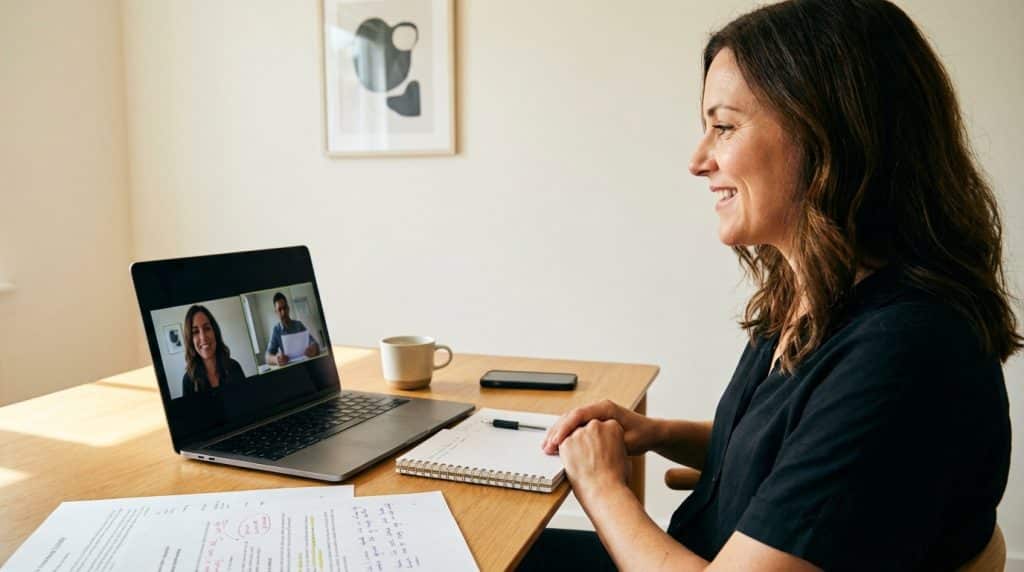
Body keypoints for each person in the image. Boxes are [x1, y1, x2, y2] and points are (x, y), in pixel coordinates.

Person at [519, 1, 1017, 570]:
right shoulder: (814, 290)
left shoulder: (907, 351)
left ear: (827, 133)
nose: (698, 160)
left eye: (723, 127)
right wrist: (656, 432)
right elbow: (799, 453)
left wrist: (603, 487)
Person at [181, 305, 247, 397]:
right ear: (190, 340)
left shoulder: (234, 367)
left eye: (207, 328)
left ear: (215, 332)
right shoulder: (188, 381)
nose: (203, 337)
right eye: (195, 332)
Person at [265, 292, 321, 366]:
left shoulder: (299, 324)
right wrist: (276, 359)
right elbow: (267, 357)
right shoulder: (276, 330)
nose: (283, 312)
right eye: (279, 309)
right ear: (276, 312)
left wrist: (314, 348)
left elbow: (314, 343)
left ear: (288, 308)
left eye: (285, 308)